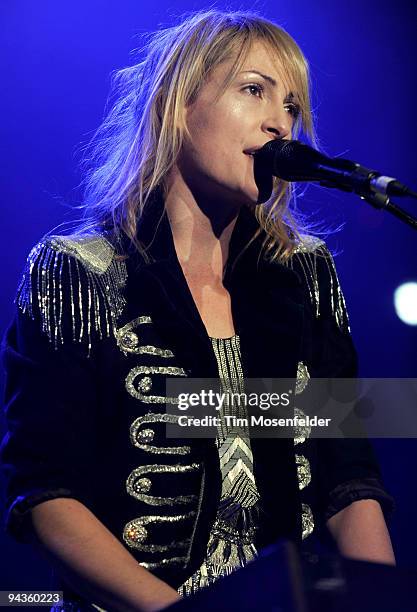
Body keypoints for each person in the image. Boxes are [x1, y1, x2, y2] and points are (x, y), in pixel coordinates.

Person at [0, 9, 395, 612]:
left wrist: (377, 603)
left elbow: (348, 475)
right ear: (177, 105)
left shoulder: (305, 274)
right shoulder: (78, 273)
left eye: (290, 105)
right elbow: (45, 489)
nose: (279, 125)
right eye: (254, 90)